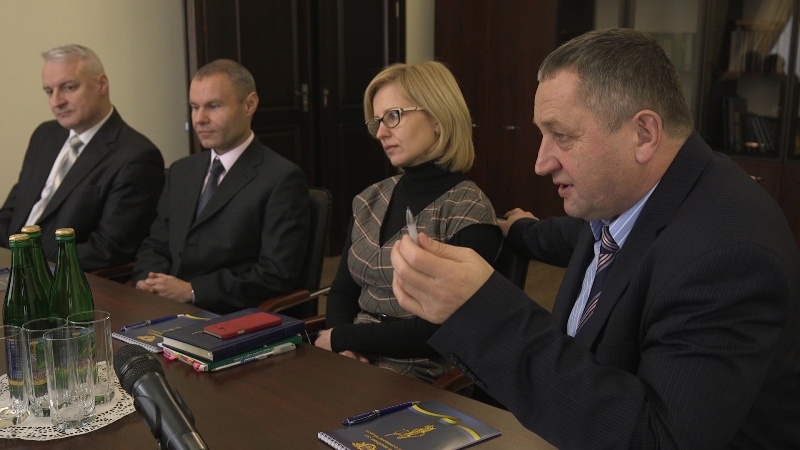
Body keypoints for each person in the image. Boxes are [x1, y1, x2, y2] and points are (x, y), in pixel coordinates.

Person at [390, 28, 800, 449]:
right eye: (542, 134)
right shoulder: (627, 197)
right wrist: (520, 230)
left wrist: (483, 310)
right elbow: (580, 237)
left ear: (644, 134)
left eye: (562, 135)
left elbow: (658, 440)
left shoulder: (728, 257)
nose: (541, 163)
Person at [314, 61, 502, 383]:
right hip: (351, 356)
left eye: (393, 116)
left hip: (421, 370)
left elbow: (438, 330)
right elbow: (343, 290)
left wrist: (342, 338)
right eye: (377, 122)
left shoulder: (468, 210)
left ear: (438, 119)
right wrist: (344, 349)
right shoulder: (369, 199)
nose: (381, 133)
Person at [132, 59, 309, 314]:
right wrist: (148, 281)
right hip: (163, 309)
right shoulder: (181, 171)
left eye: (213, 106)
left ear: (249, 105)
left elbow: (276, 273)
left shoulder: (282, 178)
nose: (200, 119)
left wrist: (192, 290)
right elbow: (156, 244)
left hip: (227, 317)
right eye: (194, 107)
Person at [0, 45, 164, 271]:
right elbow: (13, 210)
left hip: (57, 277)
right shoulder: (45, 135)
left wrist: (28, 263)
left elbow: (108, 248)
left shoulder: (137, 156)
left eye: (68, 88)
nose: (56, 102)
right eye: (49, 91)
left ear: (102, 85)